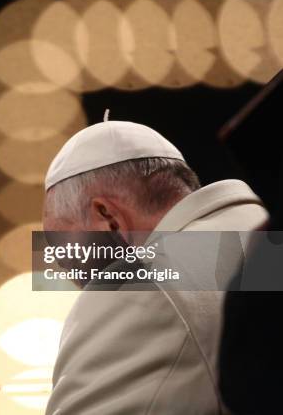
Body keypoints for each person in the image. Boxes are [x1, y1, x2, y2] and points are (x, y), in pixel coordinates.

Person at [43, 120, 268, 415]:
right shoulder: (267, 235)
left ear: (108, 216)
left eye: (60, 245)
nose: (67, 271)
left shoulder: (138, 288)